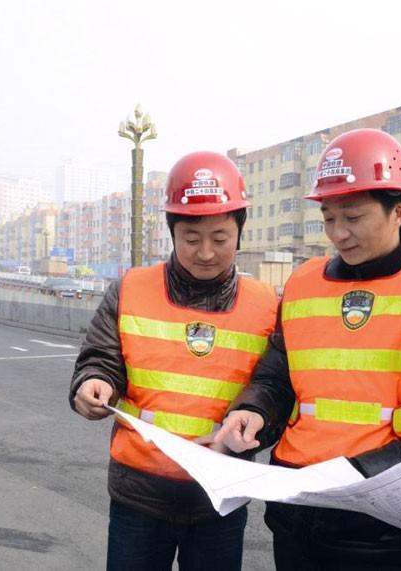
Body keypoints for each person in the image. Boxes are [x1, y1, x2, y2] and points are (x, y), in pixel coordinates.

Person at [215, 128, 401, 570]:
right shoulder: (304, 285)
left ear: (397, 210)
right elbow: (276, 378)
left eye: (353, 217)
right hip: (295, 516)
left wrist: (355, 478)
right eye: (328, 218)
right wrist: (253, 413)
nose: (339, 233)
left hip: (381, 534)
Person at [69, 151, 278, 571]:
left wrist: (256, 428)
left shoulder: (266, 304)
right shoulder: (131, 289)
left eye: (220, 239)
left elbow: (273, 388)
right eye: (191, 239)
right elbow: (100, 358)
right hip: (139, 497)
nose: (206, 253)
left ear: (240, 232)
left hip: (220, 497)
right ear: (172, 233)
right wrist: (93, 383)